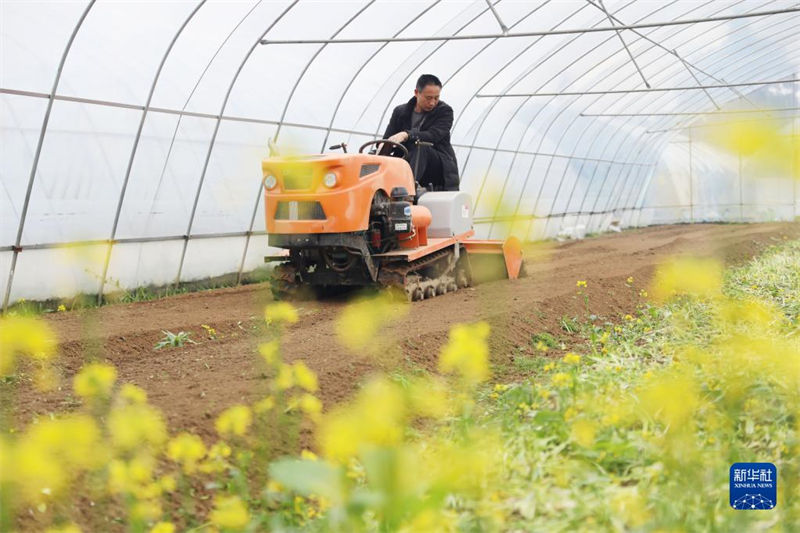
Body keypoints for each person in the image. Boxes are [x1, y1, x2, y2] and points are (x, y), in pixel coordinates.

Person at [382, 74, 460, 191]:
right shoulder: (400, 112)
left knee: (421, 146)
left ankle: (406, 191)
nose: (432, 103)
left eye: (436, 98)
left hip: (437, 165)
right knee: (379, 151)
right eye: (428, 98)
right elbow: (389, 138)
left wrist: (407, 135)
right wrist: (382, 148)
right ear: (416, 92)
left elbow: (433, 135)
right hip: (407, 160)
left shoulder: (445, 112)